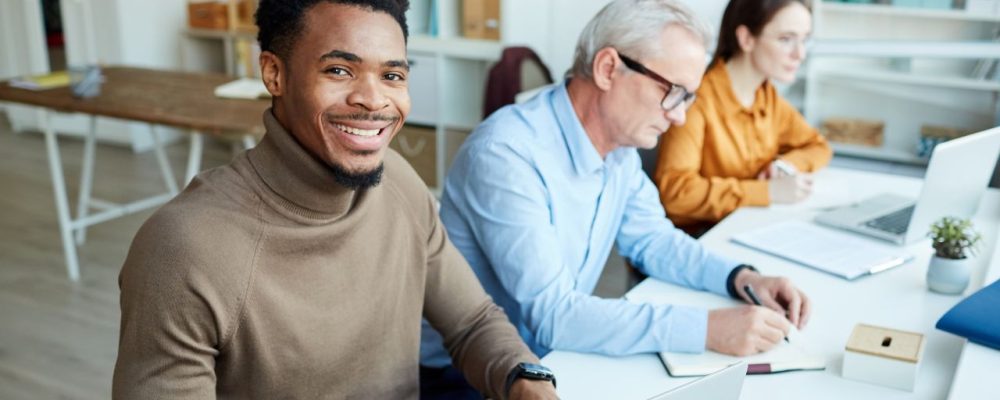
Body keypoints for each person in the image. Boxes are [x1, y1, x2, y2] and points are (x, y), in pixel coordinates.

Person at [111, 1, 557, 399]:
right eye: (339, 70)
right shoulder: (183, 249)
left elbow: (472, 321)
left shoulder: (400, 182)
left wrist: (526, 379)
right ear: (274, 74)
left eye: (392, 76)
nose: (373, 100)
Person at [419, 0, 812, 394]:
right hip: (464, 377)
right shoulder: (506, 155)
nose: (679, 116)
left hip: (547, 357)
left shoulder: (618, 146)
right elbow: (554, 316)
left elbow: (653, 240)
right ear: (608, 69)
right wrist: (707, 329)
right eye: (673, 92)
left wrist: (743, 278)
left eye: (688, 98)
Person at [654, 0, 832, 232]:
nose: (800, 54)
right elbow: (676, 194)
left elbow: (818, 146)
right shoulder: (698, 100)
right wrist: (767, 191)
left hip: (747, 225)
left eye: (804, 39)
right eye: (786, 39)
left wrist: (785, 165)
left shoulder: (766, 97)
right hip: (701, 235)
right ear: (746, 38)